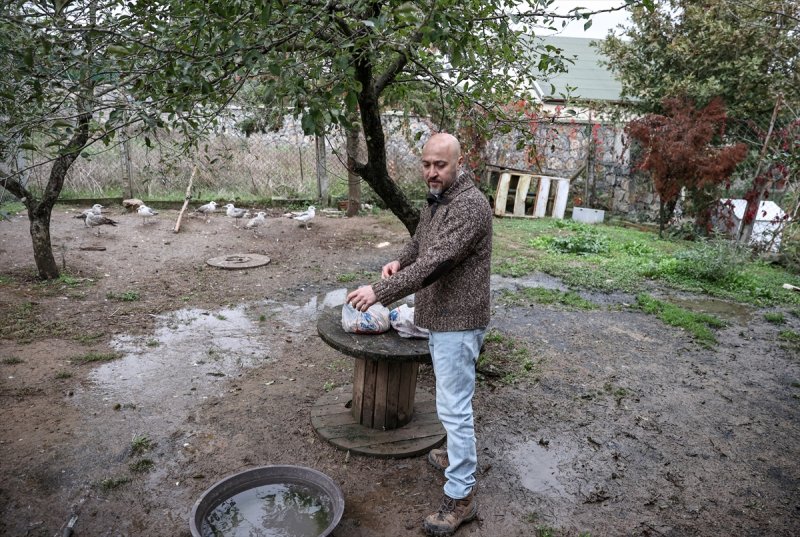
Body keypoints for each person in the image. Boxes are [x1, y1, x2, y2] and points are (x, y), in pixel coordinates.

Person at [346, 132, 492, 536]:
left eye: (439, 165)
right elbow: (421, 246)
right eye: (426, 164)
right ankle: (455, 457)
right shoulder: (438, 199)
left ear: (459, 164)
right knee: (452, 399)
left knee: (454, 407)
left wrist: (379, 292)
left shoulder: (470, 207)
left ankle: (461, 497)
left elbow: (436, 263)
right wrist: (398, 260)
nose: (431, 172)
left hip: (458, 321)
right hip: (442, 315)